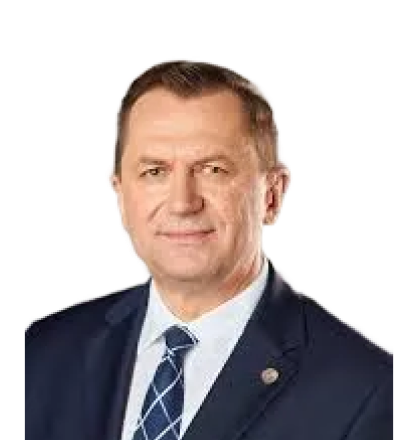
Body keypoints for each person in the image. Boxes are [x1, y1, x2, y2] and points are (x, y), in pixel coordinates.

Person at [24, 59, 394, 440]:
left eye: (213, 170)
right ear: (118, 194)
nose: (183, 203)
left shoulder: (368, 390)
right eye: (155, 172)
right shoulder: (42, 353)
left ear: (272, 196)